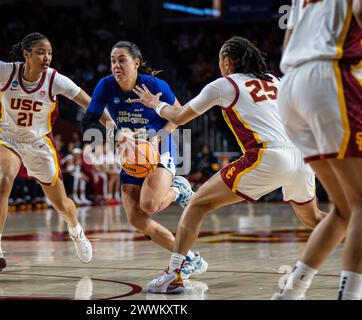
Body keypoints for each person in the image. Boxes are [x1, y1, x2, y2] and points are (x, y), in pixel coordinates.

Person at [130, 36, 328, 293]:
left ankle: (174, 274)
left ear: (226, 61)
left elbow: (179, 116)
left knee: (197, 204)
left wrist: (156, 104)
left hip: (267, 155)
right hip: (301, 156)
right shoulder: (276, 81)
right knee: (314, 219)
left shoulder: (225, 85)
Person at [0, 32, 113, 270]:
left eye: (49, 52)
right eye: (40, 52)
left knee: (62, 205)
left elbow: (92, 105)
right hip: (7, 138)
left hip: (39, 143)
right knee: (4, 180)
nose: (47, 57)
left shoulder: (55, 80)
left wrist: (113, 127)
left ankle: (76, 231)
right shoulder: (6, 71)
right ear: (26, 54)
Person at [82, 41, 207, 279]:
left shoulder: (153, 85)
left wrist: (158, 137)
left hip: (159, 145)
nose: (116, 65)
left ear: (136, 63)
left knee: (149, 205)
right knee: (136, 217)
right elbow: (88, 121)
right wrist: (116, 133)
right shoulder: (106, 86)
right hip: (131, 150)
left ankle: (178, 189)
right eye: (112, 60)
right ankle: (190, 258)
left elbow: (180, 114)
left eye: (121, 60)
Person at [271, 0, 362, 300]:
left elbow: (289, 36)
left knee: (345, 209)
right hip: (328, 77)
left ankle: (292, 292)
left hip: (292, 86)